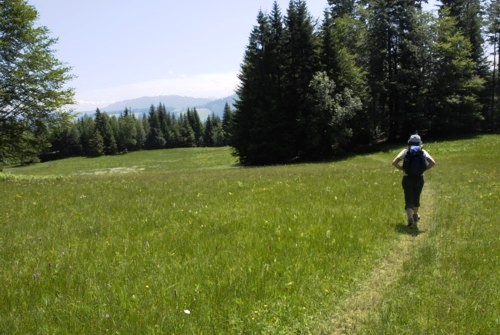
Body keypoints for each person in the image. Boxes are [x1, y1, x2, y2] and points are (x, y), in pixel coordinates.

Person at [392, 134, 436, 228]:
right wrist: (423, 169)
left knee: (408, 198)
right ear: (420, 143)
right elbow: (433, 162)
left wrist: (402, 169)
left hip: (407, 178)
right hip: (419, 178)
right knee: (416, 197)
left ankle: (410, 219)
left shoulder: (405, 151)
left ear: (409, 142)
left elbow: (394, 162)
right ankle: (415, 215)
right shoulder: (422, 151)